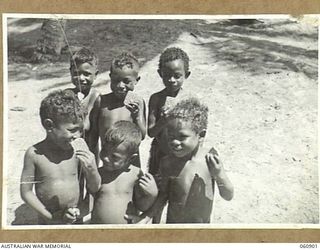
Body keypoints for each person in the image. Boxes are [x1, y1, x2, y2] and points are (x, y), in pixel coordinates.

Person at [140, 98, 234, 223]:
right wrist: (144, 218)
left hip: (201, 232)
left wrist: (219, 175)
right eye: (171, 136)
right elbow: (162, 198)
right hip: (174, 228)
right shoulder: (167, 163)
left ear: (201, 135)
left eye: (182, 137)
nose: (174, 142)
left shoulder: (209, 159)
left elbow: (228, 195)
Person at [20, 90, 101, 225]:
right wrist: (50, 217)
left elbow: (94, 187)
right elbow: (26, 192)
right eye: (72, 130)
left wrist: (92, 169)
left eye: (80, 129)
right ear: (49, 125)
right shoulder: (34, 154)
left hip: (76, 217)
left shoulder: (78, 152)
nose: (78, 135)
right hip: (49, 221)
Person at [91, 121, 158, 224]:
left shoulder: (135, 174)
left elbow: (141, 206)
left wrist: (151, 195)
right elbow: (89, 203)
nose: (105, 158)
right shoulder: (98, 174)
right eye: (104, 151)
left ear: (131, 159)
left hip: (125, 232)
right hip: (99, 232)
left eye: (114, 157)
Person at [90, 52, 146, 166]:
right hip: (108, 162)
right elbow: (93, 137)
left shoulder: (138, 102)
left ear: (136, 80)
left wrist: (137, 117)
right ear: (110, 77)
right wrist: (93, 163)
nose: (120, 85)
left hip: (130, 163)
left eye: (126, 81)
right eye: (116, 80)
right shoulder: (101, 102)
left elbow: (142, 135)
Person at [148, 47, 193, 176]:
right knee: (158, 188)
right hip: (161, 153)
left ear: (187, 74)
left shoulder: (190, 100)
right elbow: (151, 132)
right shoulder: (156, 99)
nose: (171, 80)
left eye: (177, 76)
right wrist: (164, 121)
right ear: (160, 73)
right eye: (167, 75)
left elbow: (197, 132)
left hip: (182, 154)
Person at [64, 47, 100, 143]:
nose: (81, 78)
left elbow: (90, 129)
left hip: (89, 150)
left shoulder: (96, 98)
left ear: (95, 74)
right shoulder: (66, 95)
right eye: (76, 73)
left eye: (86, 74)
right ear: (70, 72)